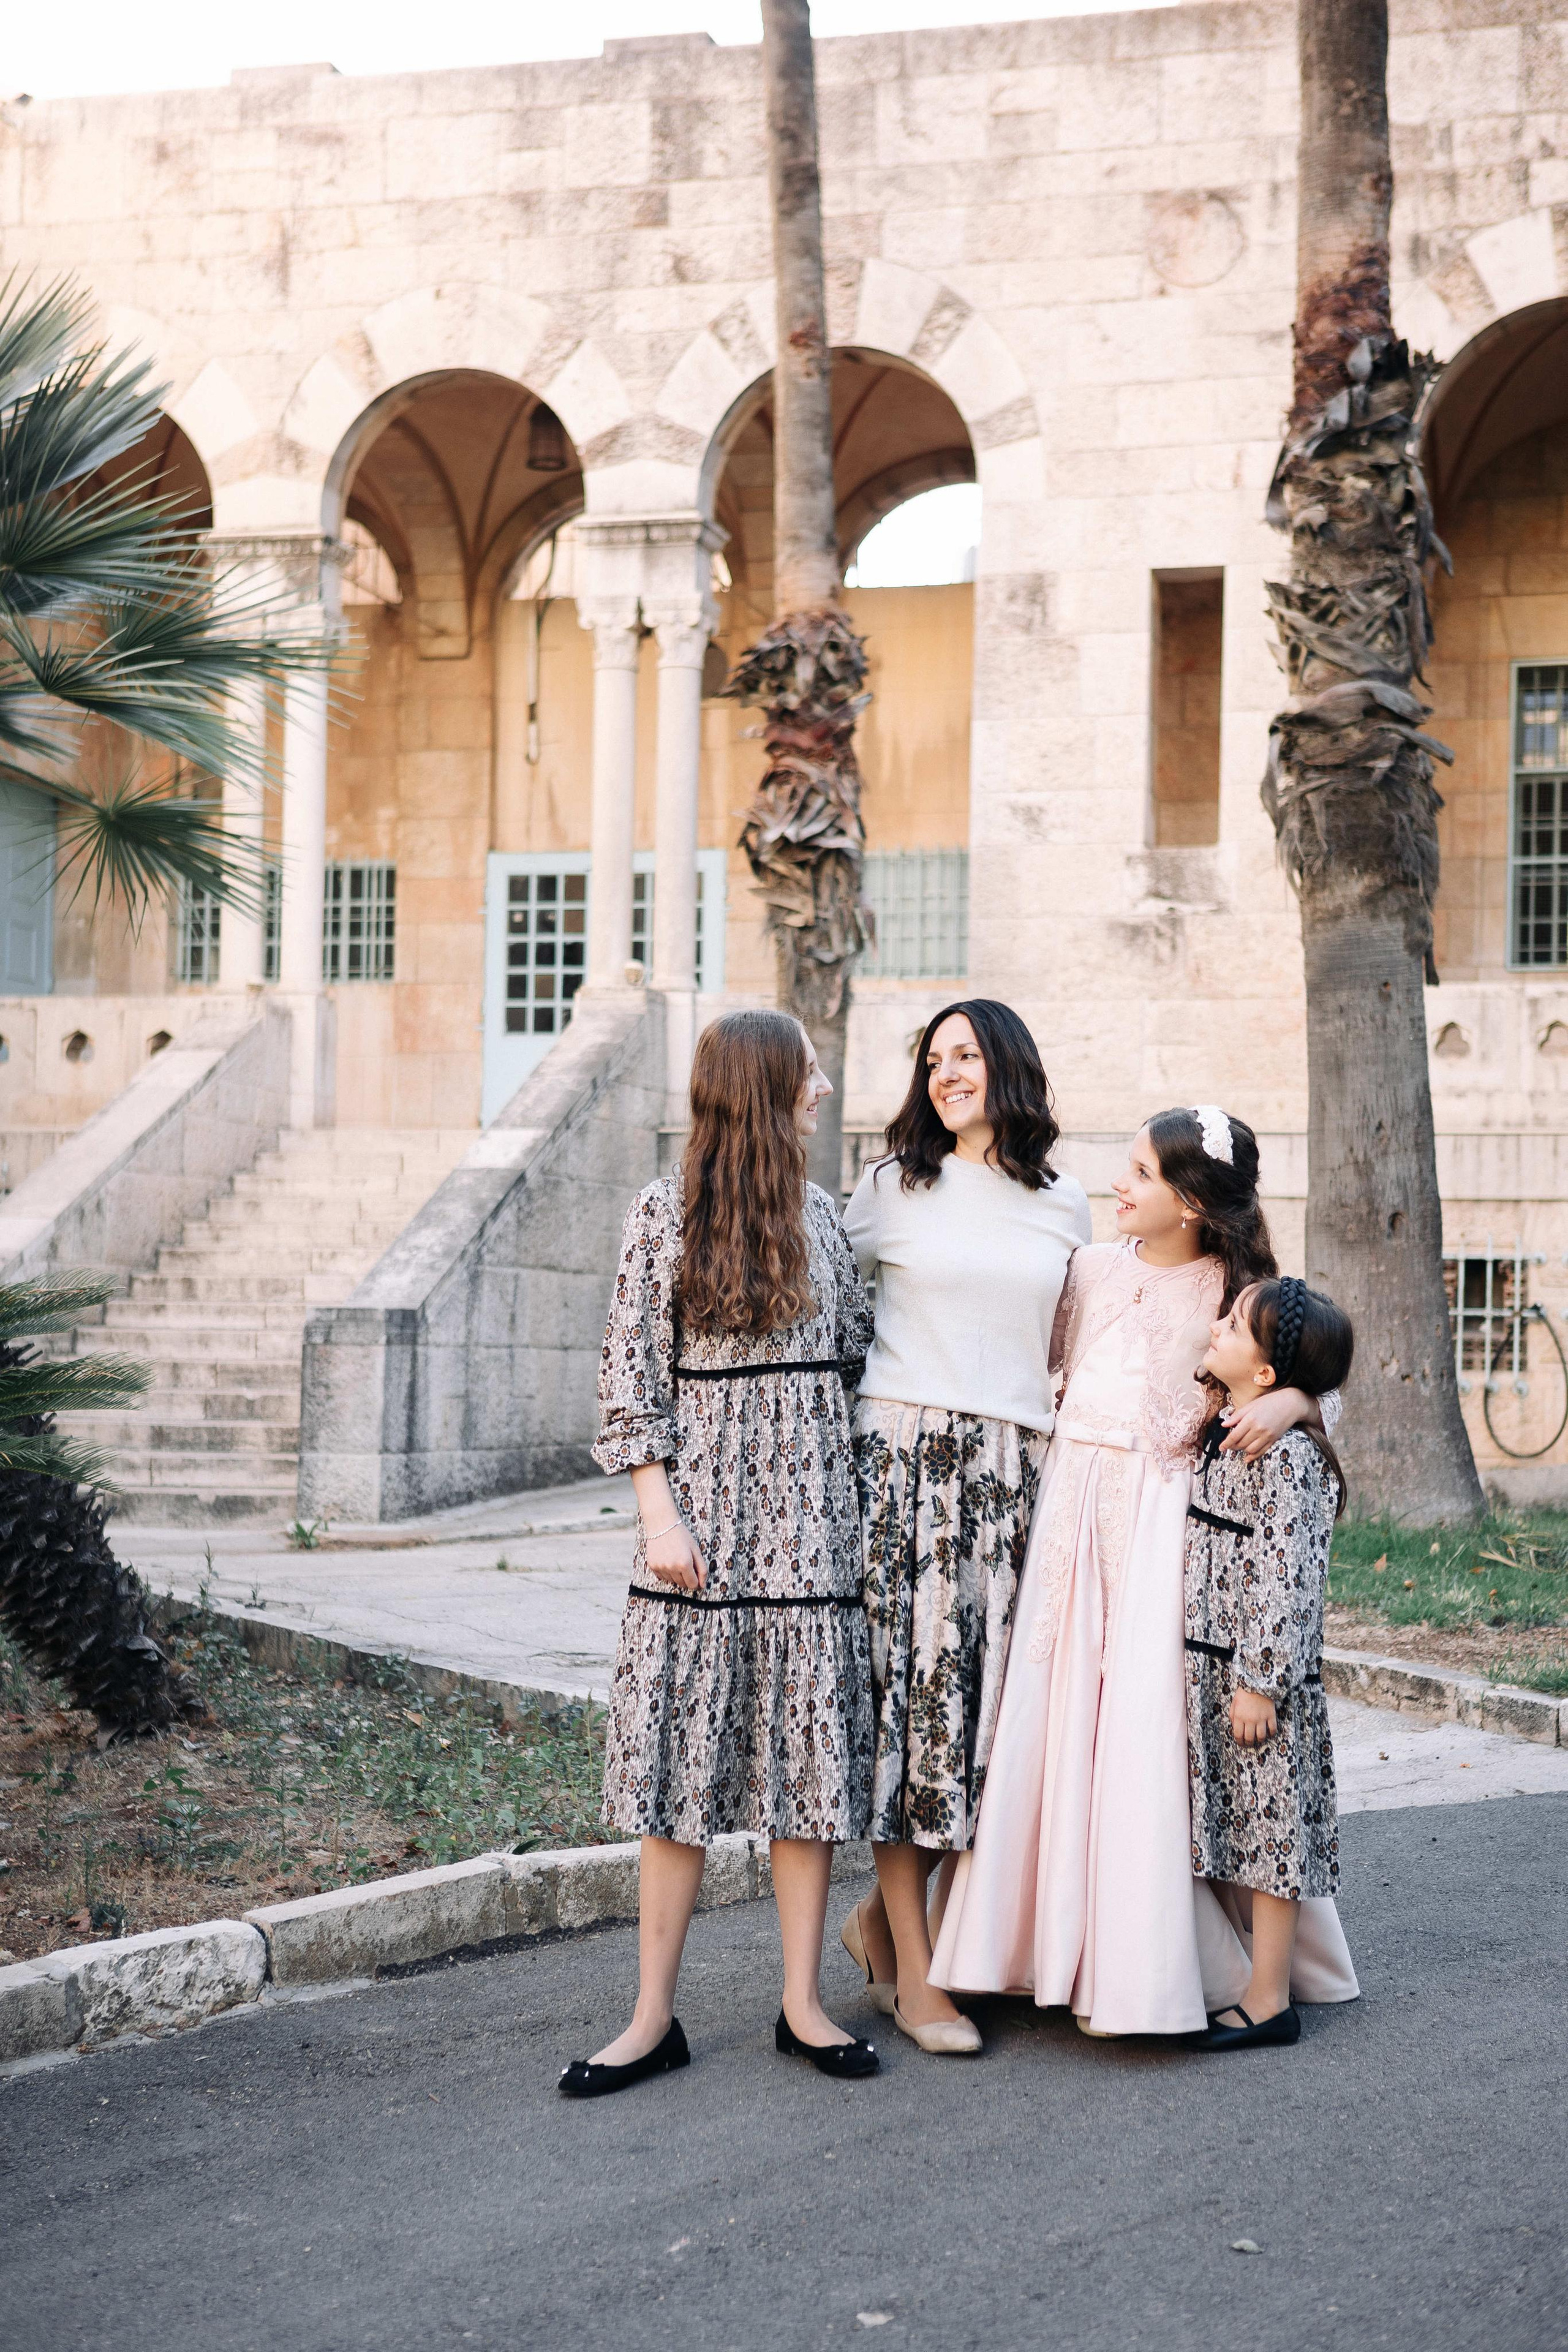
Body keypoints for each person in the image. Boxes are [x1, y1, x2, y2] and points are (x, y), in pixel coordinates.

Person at [929, 1106, 1358, 2035]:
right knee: (1051, 1712)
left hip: (1165, 1526)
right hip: (1068, 1515)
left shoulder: (1239, 1293)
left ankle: (1133, 1962)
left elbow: (1317, 1367)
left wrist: (1291, 1401)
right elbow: (1042, 1367)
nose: (1117, 1185)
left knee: (1139, 1729)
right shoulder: (1086, 1268)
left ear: (1194, 1204)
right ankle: (1029, 1944)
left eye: (1139, 1173)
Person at [559, 1010, 879, 2099]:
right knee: (676, 1777)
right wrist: (659, 1518)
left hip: (816, 1531)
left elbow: (858, 1365)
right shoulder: (663, 1215)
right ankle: (652, 2016)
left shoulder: (826, 1218)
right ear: (761, 1088)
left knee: (809, 1775)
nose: (825, 1089)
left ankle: (801, 2003)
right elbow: (629, 1380)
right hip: (698, 1534)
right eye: (807, 1073)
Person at [837, 1001, 1090, 2055]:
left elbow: (1083, 1346)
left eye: (966, 1055)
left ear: (1010, 1066)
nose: (946, 1074)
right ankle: (916, 1968)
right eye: (933, 1061)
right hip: (909, 1471)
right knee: (921, 1718)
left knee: (998, 1725)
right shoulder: (892, 1188)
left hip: (1023, 1477)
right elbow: (824, 1308)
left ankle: (883, 1929)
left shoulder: (1067, 1203)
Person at [1186, 1276, 1354, 2051]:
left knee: (1270, 1835)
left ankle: (1269, 1998)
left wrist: (1258, 1681)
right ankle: (1251, 1983)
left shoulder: (1289, 1456)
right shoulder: (1229, 1418)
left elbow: (1284, 1578)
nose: (1214, 1328)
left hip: (1258, 1681)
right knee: (1236, 1824)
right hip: (1210, 1666)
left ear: (1266, 1375)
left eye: (1231, 1325)